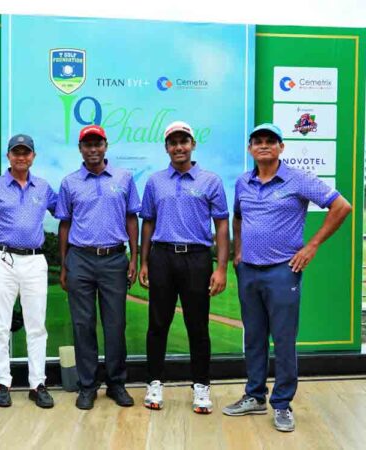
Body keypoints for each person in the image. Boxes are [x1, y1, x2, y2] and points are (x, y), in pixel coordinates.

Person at [222, 123, 351, 432]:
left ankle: (282, 404)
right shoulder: (243, 182)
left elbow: (341, 206)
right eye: (258, 141)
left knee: (282, 340)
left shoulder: (297, 179)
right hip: (249, 270)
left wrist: (312, 246)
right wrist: (238, 251)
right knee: (254, 338)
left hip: (283, 270)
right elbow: (238, 217)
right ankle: (255, 396)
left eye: (271, 140)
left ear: (281, 147)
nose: (264, 145)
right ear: (250, 149)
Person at [138, 121, 229, 414]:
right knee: (158, 324)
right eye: (173, 142)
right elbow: (148, 222)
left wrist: (221, 268)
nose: (179, 147)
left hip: (197, 258)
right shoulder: (155, 182)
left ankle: (201, 386)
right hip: (162, 256)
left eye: (184, 141)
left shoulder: (210, 181)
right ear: (166, 147)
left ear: (193, 145)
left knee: (198, 326)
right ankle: (154, 383)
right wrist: (144, 261)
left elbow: (222, 224)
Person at [55, 124, 140, 410]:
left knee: (115, 324)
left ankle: (116, 383)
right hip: (80, 258)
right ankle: (87, 386)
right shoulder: (70, 182)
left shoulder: (124, 178)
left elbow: (131, 218)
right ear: (80, 149)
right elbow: (64, 224)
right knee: (83, 325)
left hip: (114, 258)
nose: (93, 149)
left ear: (105, 146)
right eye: (87, 145)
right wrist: (64, 264)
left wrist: (134, 257)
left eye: (97, 144)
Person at [0, 134, 57, 409]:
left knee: (36, 326)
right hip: (2, 258)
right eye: (16, 152)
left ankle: (37, 384)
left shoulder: (43, 187)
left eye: (26, 152)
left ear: (33, 157)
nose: (21, 156)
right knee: (1, 325)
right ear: (9, 156)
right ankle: (2, 382)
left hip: (35, 260)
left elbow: (65, 211)